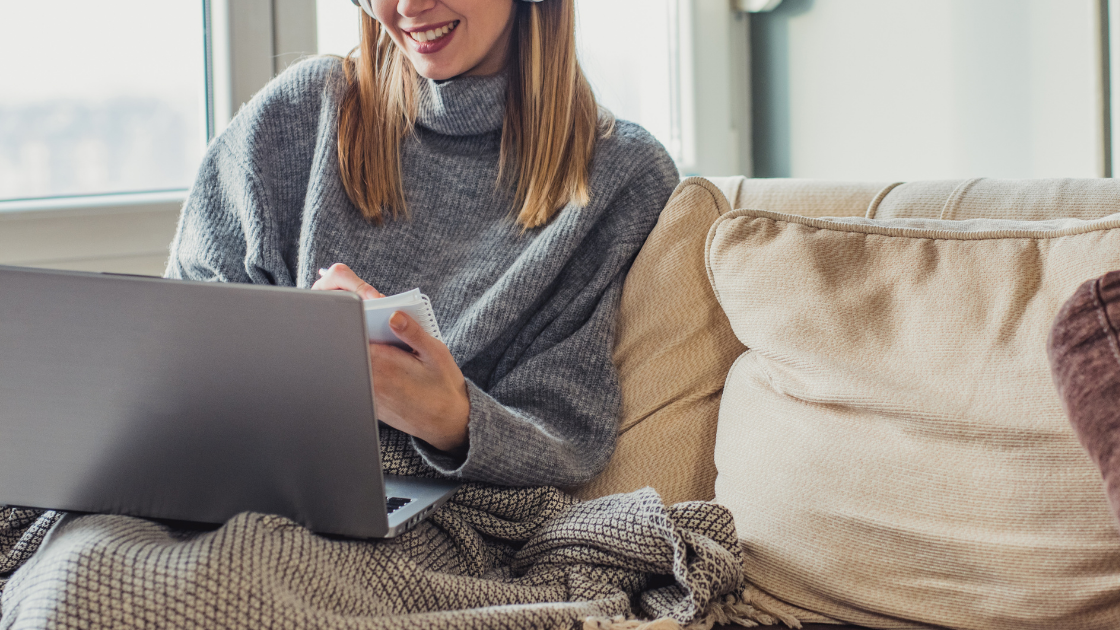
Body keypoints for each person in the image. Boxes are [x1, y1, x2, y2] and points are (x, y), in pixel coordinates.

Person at [165, 0, 679, 488]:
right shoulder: (300, 113)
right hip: (247, 474)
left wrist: (451, 417)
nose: (407, 8)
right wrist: (296, 348)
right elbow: (177, 349)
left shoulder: (621, 176)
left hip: (443, 515)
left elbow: (570, 437)